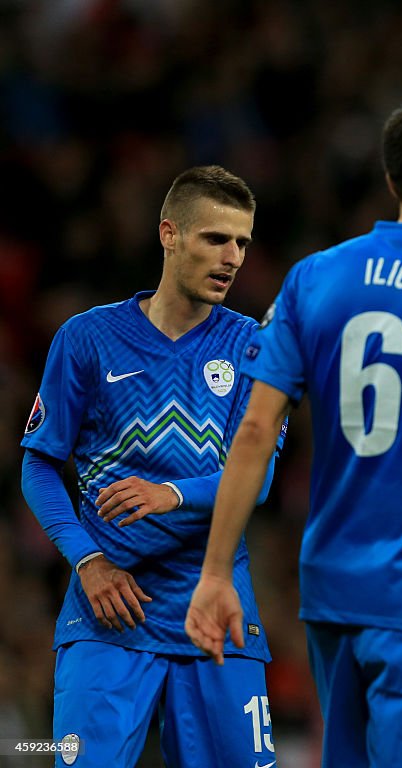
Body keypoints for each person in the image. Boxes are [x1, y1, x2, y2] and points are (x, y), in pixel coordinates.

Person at [185, 95, 402, 768]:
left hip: (333, 594)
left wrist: (214, 571)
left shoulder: (313, 277)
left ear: (391, 180)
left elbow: (255, 431)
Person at [20, 165, 283, 768]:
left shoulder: (254, 348)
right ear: (169, 233)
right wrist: (88, 561)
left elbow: (259, 476)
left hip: (216, 614)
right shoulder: (87, 338)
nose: (233, 257)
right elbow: (38, 466)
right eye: (215, 238)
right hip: (110, 613)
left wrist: (173, 493)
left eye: (242, 242)